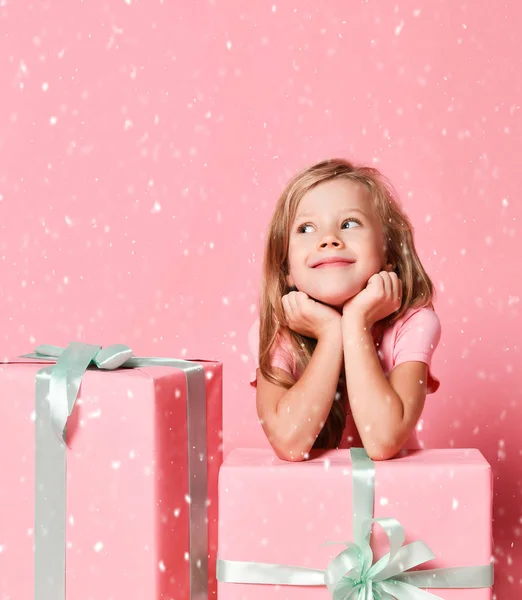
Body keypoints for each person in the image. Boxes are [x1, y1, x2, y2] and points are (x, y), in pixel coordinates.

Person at [248, 158, 441, 462]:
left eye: (350, 224)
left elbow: (382, 440)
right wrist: (329, 333)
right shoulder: (277, 331)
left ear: (388, 252)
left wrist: (356, 323)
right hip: (303, 500)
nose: (329, 239)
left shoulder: (414, 324)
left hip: (390, 500)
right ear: (285, 267)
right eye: (306, 228)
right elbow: (289, 442)